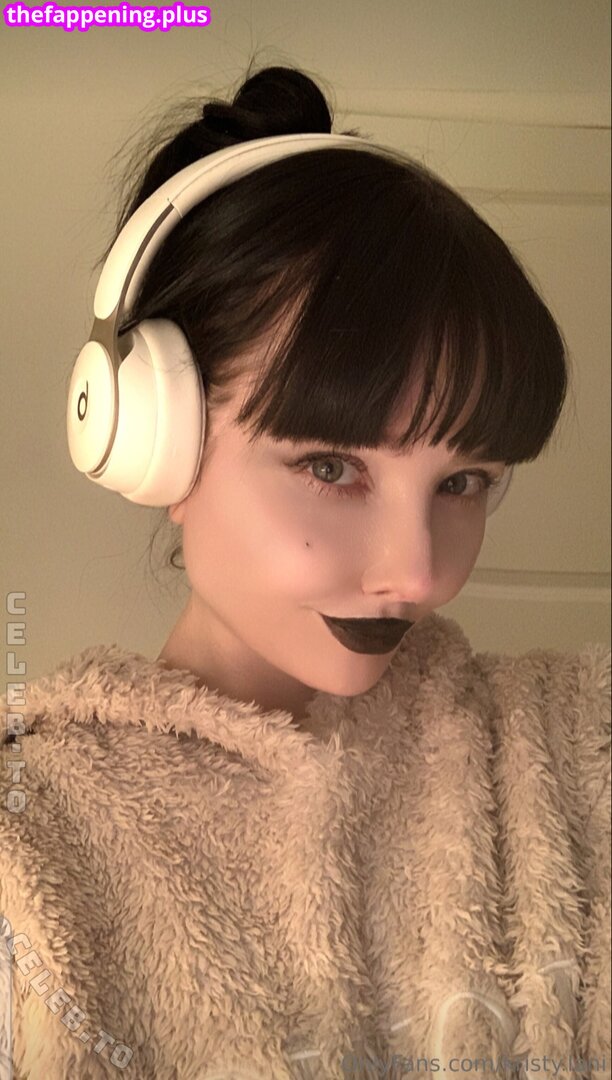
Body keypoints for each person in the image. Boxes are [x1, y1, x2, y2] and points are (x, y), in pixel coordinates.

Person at [1, 64, 609, 1080]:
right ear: (151, 444)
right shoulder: (31, 848)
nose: (418, 574)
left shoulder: (560, 737)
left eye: (463, 481)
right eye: (330, 467)